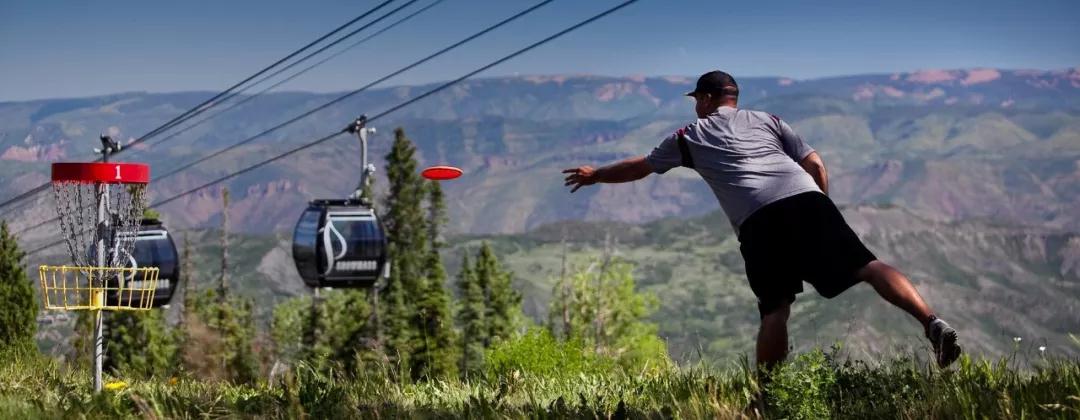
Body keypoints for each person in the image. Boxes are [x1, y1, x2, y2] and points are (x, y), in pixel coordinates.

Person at [561, 70, 962, 369]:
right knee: (868, 266)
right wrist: (820, 209)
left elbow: (642, 167)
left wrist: (596, 175)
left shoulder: (689, 135)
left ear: (706, 99)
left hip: (759, 221)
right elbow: (815, 164)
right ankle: (931, 323)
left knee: (775, 310)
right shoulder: (769, 120)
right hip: (808, 201)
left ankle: (767, 398)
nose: (695, 106)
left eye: (696, 99)